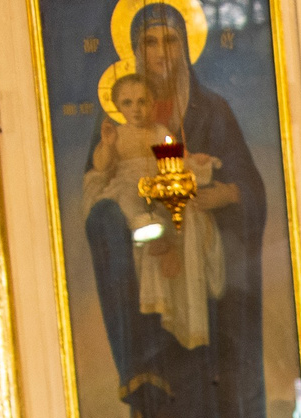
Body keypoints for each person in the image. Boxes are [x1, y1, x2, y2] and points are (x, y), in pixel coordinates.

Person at [82, 2, 269, 418]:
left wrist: (218, 194)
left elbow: (246, 188)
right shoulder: (116, 124)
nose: (161, 52)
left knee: (209, 365)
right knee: (165, 369)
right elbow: (98, 193)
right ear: (134, 51)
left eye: (169, 40)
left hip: (205, 276)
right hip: (148, 277)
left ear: (186, 47)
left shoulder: (211, 111)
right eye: (149, 42)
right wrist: (137, 228)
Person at [85, 73, 226, 353]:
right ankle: (148, 232)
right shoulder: (117, 134)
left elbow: (177, 158)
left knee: (176, 210)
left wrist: (195, 160)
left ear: (152, 104)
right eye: (128, 103)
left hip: (158, 186)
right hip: (129, 185)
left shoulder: (160, 131)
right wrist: (108, 145)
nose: (136, 109)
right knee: (128, 200)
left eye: (142, 102)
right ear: (117, 107)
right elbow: (101, 166)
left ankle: (161, 238)